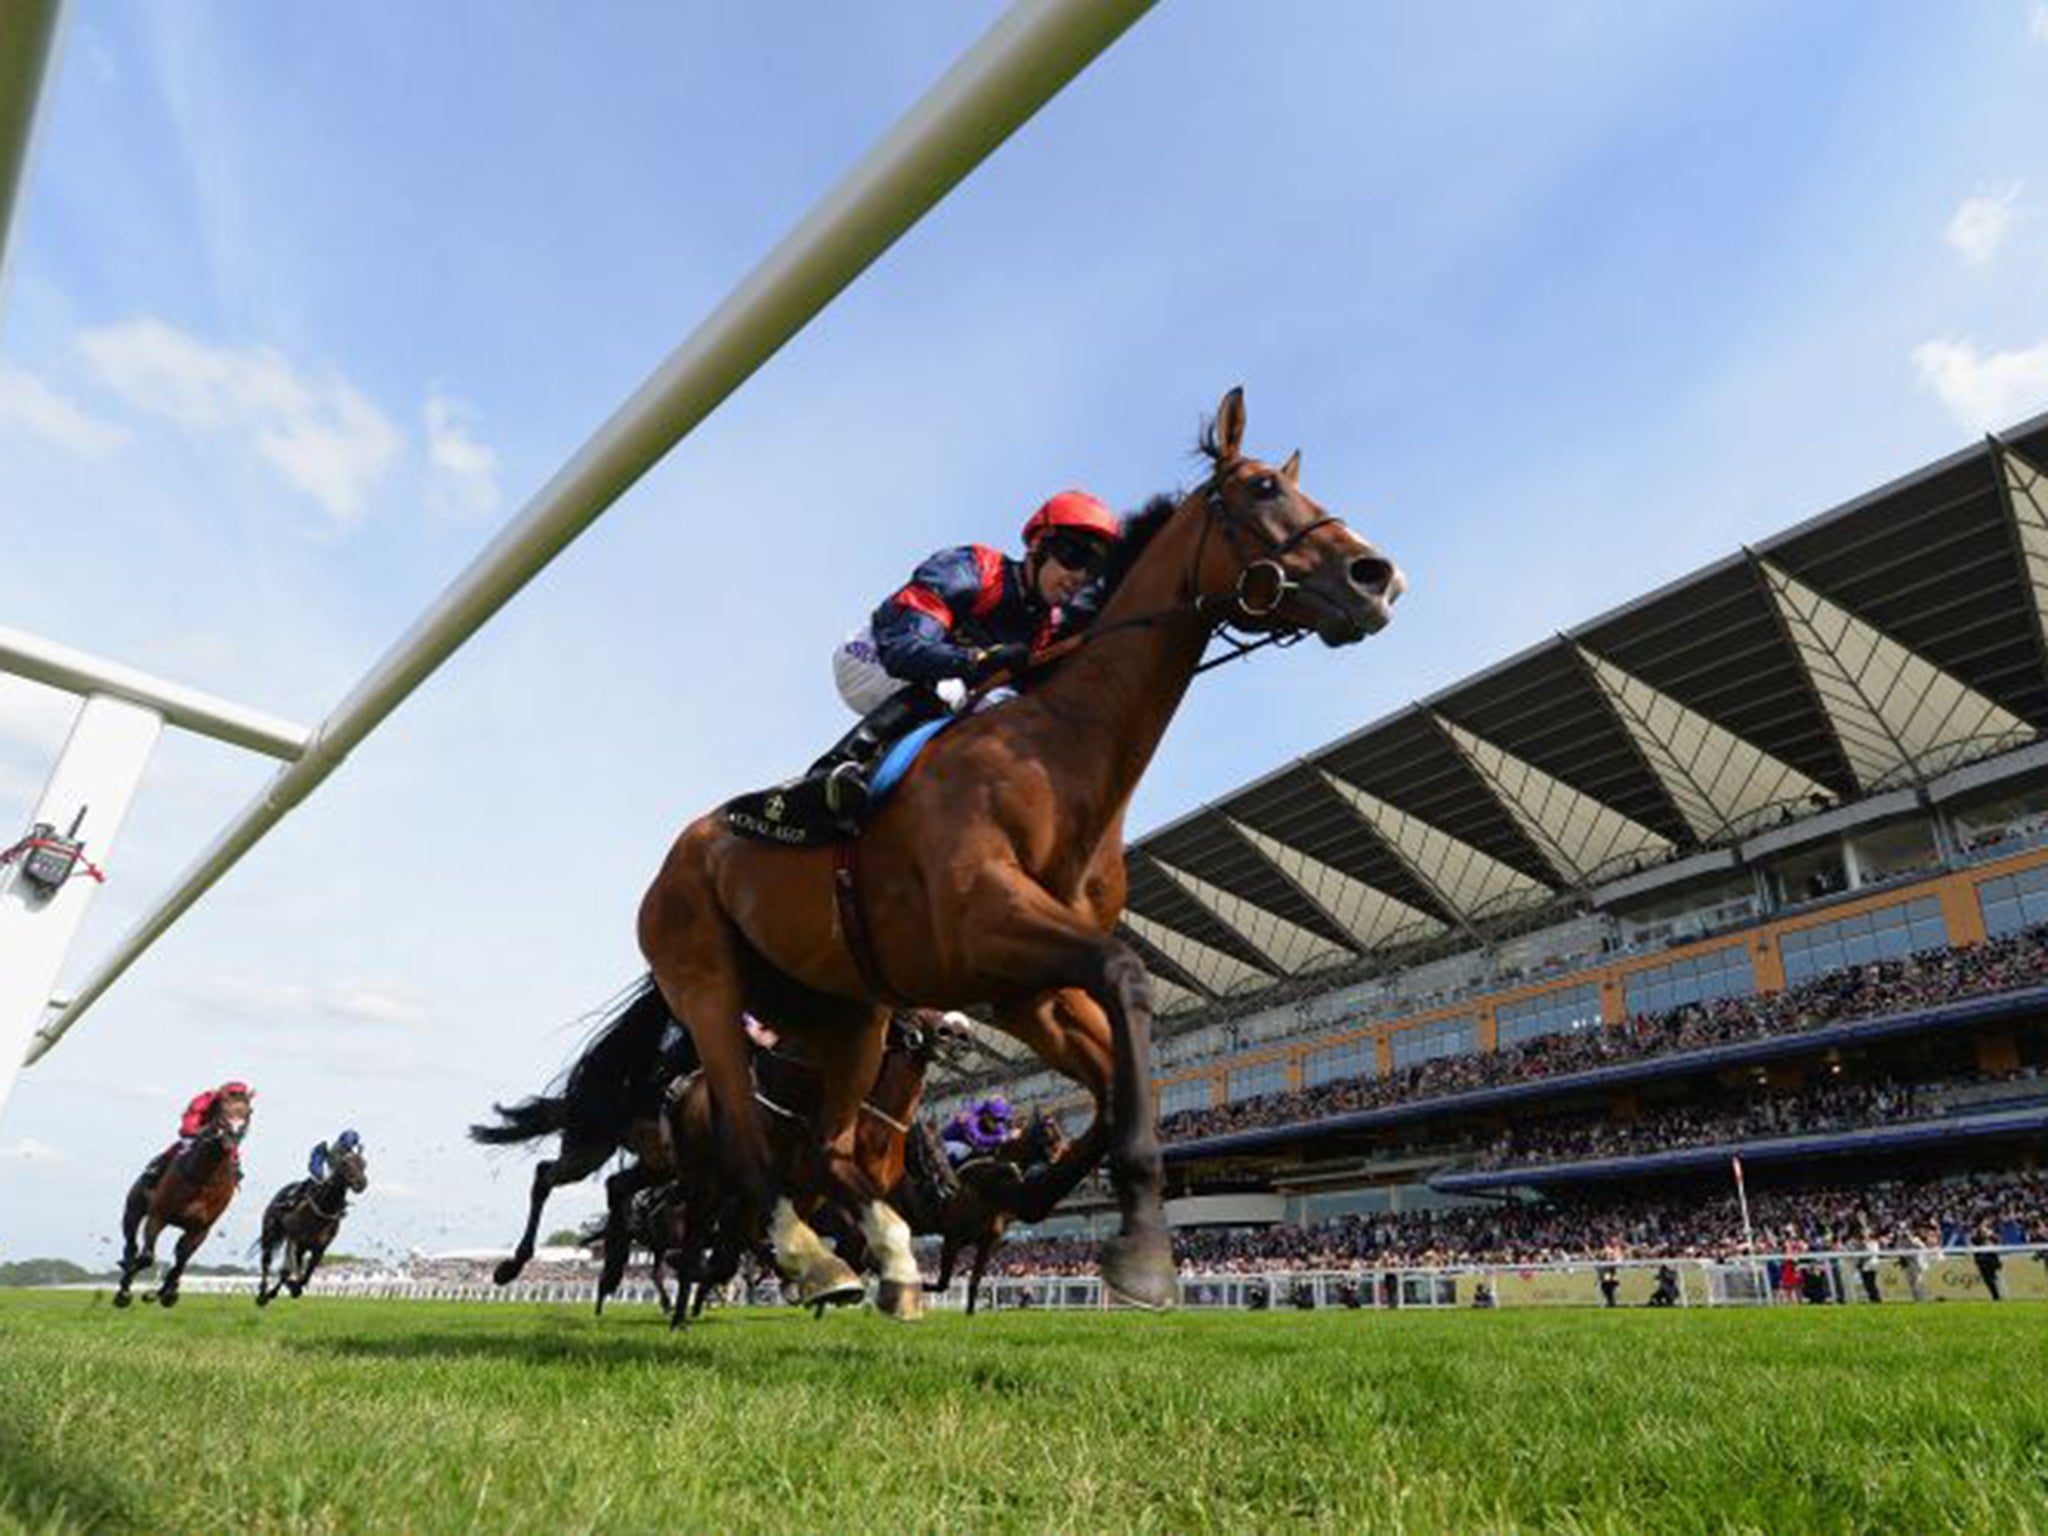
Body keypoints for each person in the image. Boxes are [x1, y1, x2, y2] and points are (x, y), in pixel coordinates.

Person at [808, 491, 1122, 819]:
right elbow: (903, 650)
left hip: (924, 690)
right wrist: (978, 660)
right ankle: (825, 775)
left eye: (1094, 570)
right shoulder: (973, 569)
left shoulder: (1046, 627)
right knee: (949, 690)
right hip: (869, 659)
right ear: (1038, 545)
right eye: (1075, 556)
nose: (1080, 577)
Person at [941, 1094, 1016, 1167]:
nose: (998, 1122)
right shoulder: (970, 1115)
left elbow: (1002, 1133)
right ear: (987, 1113)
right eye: (997, 1119)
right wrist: (999, 1139)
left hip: (969, 1146)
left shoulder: (992, 1120)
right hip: (948, 1144)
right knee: (963, 1150)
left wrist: (1009, 1136)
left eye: (1002, 1120)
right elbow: (978, 1139)